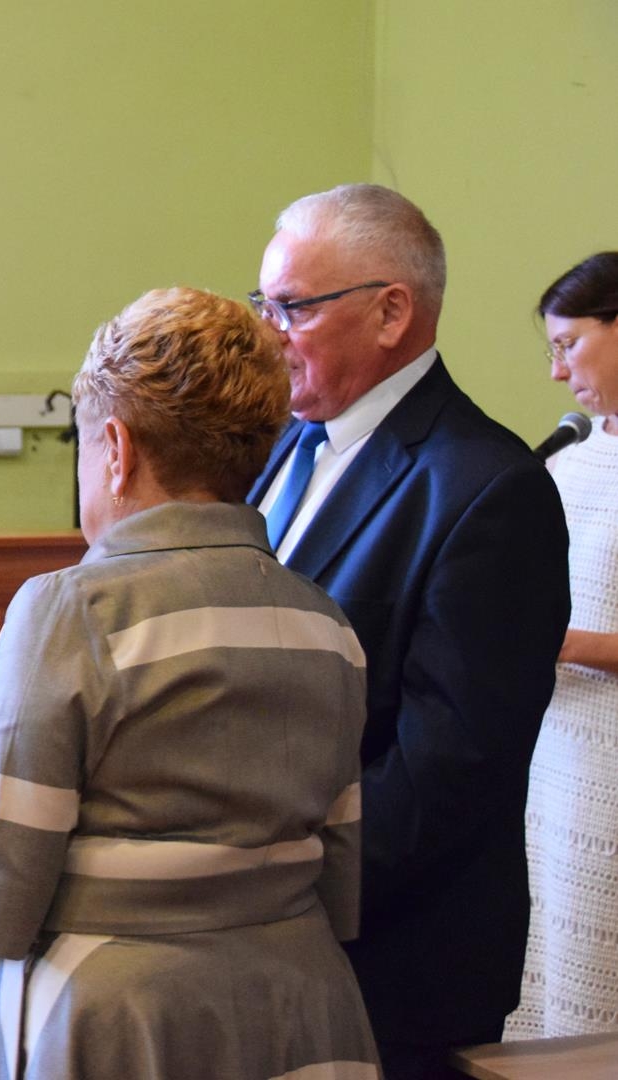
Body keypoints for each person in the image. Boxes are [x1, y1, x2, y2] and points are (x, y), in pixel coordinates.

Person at [0, 287, 380, 1078]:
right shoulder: (324, 624)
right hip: (303, 1015)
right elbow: (338, 885)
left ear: (116, 449)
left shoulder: (72, 612)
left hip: (115, 1021)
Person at [247, 183, 571, 1076]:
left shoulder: (487, 487)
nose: (268, 334)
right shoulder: (279, 445)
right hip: (256, 947)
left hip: (386, 962)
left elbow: (450, 766)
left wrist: (267, 889)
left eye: (293, 307)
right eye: (262, 304)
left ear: (391, 312)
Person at [504, 252, 618, 1039]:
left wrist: (567, 642)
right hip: (555, 752)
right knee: (549, 957)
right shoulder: (566, 458)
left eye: (567, 344)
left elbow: (564, 627)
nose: (555, 371)